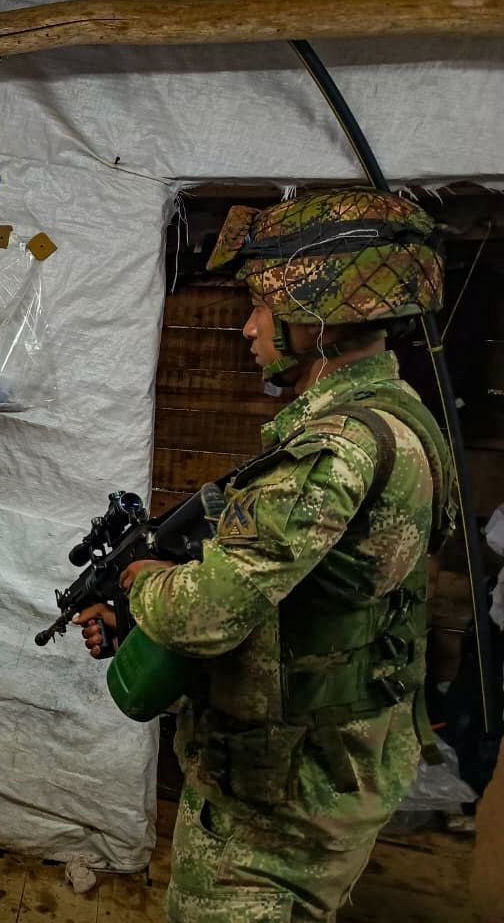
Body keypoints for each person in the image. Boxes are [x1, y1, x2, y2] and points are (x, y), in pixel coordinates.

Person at [77, 188, 453, 922]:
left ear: (318, 317)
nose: (248, 327)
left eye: (261, 305)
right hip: (338, 770)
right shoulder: (401, 417)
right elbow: (308, 604)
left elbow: (207, 615)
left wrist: (142, 582)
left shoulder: (333, 453)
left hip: (277, 808)